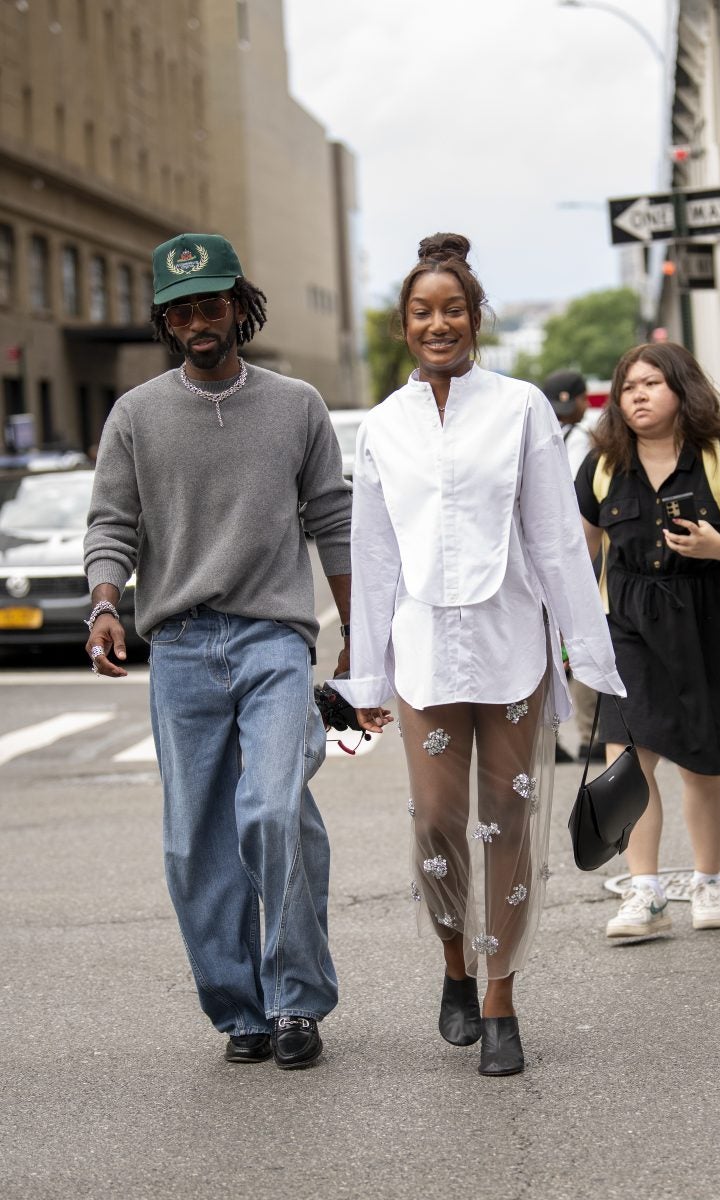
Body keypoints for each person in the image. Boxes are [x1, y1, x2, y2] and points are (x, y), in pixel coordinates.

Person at [330, 233, 624, 1077]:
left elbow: (557, 541)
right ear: (403, 325)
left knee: (508, 822)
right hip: (423, 648)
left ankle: (501, 999)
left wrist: (590, 660)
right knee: (435, 820)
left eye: (453, 309)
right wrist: (366, 677)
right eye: (423, 312)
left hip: (510, 644)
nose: (439, 324)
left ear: (475, 317)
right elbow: (374, 552)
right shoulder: (384, 425)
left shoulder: (522, 406)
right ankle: (454, 963)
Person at [83, 233, 355, 1069]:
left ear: (241, 305)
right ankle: (240, 1010)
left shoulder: (297, 404)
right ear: (167, 321)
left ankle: (297, 1001)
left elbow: (333, 520)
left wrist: (361, 640)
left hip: (275, 637)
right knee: (192, 842)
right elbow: (112, 526)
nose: (199, 321)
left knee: (272, 810)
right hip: (180, 648)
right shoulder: (136, 415)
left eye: (213, 304)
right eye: (182, 309)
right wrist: (103, 604)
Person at [575, 342, 720, 940]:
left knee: (706, 764)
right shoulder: (603, 465)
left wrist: (718, 546)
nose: (638, 395)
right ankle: (644, 891)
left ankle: (709, 880)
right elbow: (576, 551)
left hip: (710, 626)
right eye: (628, 386)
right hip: (630, 628)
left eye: (652, 384)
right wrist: (558, 623)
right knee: (626, 762)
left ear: (682, 390)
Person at [541, 369, 604, 764]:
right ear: (583, 401)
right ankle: (588, 735)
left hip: (539, 552)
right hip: (581, 548)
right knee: (583, 636)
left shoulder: (534, 438)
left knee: (546, 642)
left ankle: (547, 739)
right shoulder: (589, 442)